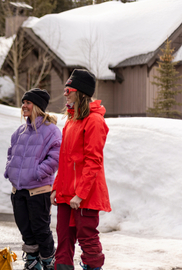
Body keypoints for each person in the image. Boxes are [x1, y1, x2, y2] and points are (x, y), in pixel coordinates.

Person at [50, 69, 111, 270]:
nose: (65, 93)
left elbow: (93, 161)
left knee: (87, 237)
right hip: (66, 192)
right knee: (64, 237)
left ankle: (93, 267)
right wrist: (56, 188)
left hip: (85, 194)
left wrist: (80, 194)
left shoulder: (94, 121)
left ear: (81, 92)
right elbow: (65, 160)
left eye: (69, 89)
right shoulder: (71, 120)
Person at [4, 88, 62, 270]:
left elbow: (55, 158)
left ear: (37, 106)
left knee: (40, 229)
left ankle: (48, 261)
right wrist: (9, 170)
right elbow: (10, 153)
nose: (24, 106)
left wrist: (37, 172)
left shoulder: (51, 131)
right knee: (25, 229)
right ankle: (32, 261)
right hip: (18, 190)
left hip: (38, 190)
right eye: (23, 102)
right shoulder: (19, 132)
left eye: (28, 103)